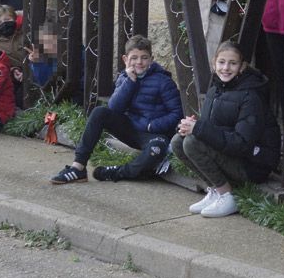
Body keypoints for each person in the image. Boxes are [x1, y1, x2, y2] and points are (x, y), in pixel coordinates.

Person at [50, 35, 184, 184]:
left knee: (156, 149)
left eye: (144, 58)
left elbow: (177, 113)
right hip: (131, 130)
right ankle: (78, 168)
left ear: (151, 59)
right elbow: (114, 108)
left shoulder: (164, 81)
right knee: (100, 112)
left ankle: (118, 172)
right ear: (125, 59)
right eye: (134, 58)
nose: (139, 62)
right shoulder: (124, 78)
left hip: (153, 134)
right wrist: (130, 82)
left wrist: (152, 125)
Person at [173, 42, 280, 218]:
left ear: (242, 66)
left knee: (193, 143)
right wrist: (191, 126)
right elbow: (216, 127)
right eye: (221, 62)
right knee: (178, 141)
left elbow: (241, 144)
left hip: (253, 165)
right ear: (214, 63)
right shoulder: (215, 89)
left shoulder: (251, 96)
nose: (226, 68)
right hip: (232, 156)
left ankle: (227, 195)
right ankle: (214, 190)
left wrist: (199, 129)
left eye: (232, 63)